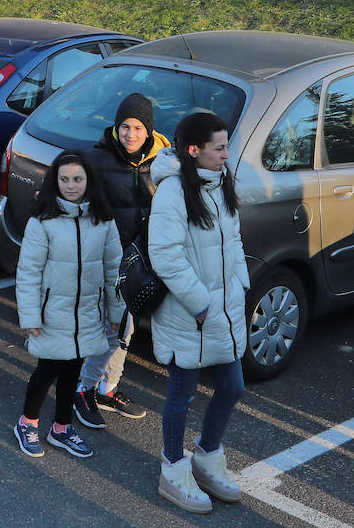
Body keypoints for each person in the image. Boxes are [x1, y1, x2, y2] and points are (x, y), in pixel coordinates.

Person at [149, 111, 248, 514]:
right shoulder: (173, 192)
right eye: (219, 147)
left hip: (223, 310)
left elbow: (235, 238)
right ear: (195, 150)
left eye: (226, 145)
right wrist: (202, 304)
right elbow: (166, 257)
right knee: (182, 394)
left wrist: (239, 284)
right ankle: (173, 467)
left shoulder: (222, 183)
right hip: (189, 315)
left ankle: (207, 456)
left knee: (233, 387)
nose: (227, 154)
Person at [13, 151, 123, 460]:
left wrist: (115, 312)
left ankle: (61, 427)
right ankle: (28, 423)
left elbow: (113, 270)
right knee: (46, 370)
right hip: (51, 314)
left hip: (87, 313)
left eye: (77, 179)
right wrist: (30, 315)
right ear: (54, 181)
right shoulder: (42, 221)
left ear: (89, 181)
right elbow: (29, 271)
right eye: (64, 179)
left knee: (72, 371)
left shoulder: (103, 221)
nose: (71, 186)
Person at [75, 92, 169, 428]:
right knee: (108, 330)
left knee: (126, 330)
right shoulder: (97, 161)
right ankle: (83, 390)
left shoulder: (162, 163)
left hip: (141, 262)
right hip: (106, 260)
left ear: (149, 132)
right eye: (125, 126)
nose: (130, 134)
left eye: (138, 128)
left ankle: (108, 388)